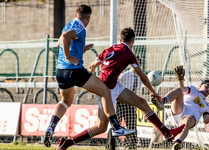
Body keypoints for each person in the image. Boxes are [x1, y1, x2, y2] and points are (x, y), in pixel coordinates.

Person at [55, 27, 185, 150]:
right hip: (107, 90)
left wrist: (93, 80)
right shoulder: (128, 53)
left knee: (142, 103)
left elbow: (92, 66)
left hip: (112, 85)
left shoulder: (109, 49)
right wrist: (153, 92)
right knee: (101, 127)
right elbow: (143, 77)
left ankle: (167, 133)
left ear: (121, 40)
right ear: (133, 41)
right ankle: (67, 143)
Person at [43, 5, 135, 148]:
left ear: (75, 14)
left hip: (60, 72)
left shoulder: (68, 25)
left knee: (66, 101)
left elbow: (60, 41)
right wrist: (69, 57)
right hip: (74, 70)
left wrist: (80, 50)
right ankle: (116, 127)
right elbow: (67, 37)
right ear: (88, 17)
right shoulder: (80, 27)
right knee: (105, 91)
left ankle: (50, 127)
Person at [158, 65, 209, 150]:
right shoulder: (194, 90)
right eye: (207, 86)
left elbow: (206, 120)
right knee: (179, 90)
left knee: (187, 122)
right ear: (200, 86)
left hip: (192, 117)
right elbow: (183, 89)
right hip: (181, 109)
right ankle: (162, 102)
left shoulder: (207, 105)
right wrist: (180, 80)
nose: (208, 89)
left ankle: (178, 143)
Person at [116, 56, 142, 149]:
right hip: (120, 102)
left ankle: (132, 145)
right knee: (116, 123)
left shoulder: (140, 77)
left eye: (139, 63)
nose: (137, 65)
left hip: (131, 103)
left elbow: (137, 90)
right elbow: (116, 84)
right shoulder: (125, 75)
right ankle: (112, 143)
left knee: (132, 124)